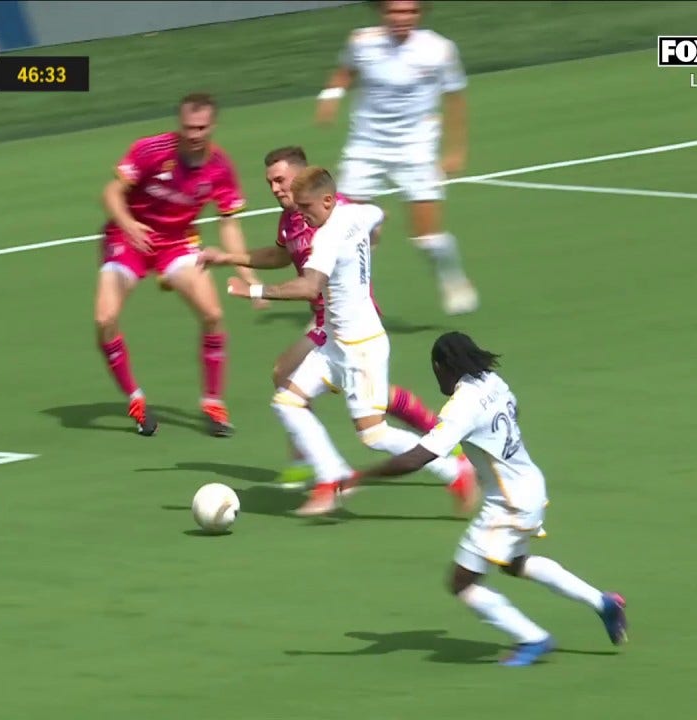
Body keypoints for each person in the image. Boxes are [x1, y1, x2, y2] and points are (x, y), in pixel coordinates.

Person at [298, 332, 629, 667]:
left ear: (443, 366)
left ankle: (533, 638)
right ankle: (604, 604)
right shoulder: (493, 381)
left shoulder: (461, 408)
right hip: (529, 484)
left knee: (462, 582)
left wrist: (361, 475)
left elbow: (417, 458)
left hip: (508, 504)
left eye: (435, 369)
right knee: (516, 564)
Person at [202, 146, 459, 492]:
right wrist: (229, 257)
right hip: (329, 320)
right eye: (270, 183)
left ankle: (312, 464)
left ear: (302, 177)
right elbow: (281, 255)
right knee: (354, 394)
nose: (276, 189)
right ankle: (425, 439)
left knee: (293, 379)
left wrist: (254, 292)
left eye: (281, 180)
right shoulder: (292, 218)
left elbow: (317, 277)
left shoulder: (331, 215)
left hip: (342, 320)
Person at [96, 92, 262, 438]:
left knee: (213, 315)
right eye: (188, 126)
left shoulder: (220, 167)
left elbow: (229, 222)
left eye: (201, 127)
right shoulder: (151, 150)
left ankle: (213, 403)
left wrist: (247, 275)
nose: (195, 133)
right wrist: (128, 224)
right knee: (105, 318)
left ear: (213, 125)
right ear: (179, 124)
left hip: (177, 243)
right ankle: (136, 399)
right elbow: (111, 192)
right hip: (129, 238)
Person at [316, 0, 479, 316]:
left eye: (409, 11)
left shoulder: (440, 49)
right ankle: (336, 312)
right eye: (394, 11)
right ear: (382, 13)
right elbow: (344, 73)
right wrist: (330, 97)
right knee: (347, 233)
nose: (401, 18)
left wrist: (456, 150)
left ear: (420, 13)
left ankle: (452, 278)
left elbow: (455, 99)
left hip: (416, 149)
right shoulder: (361, 42)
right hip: (366, 147)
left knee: (426, 238)